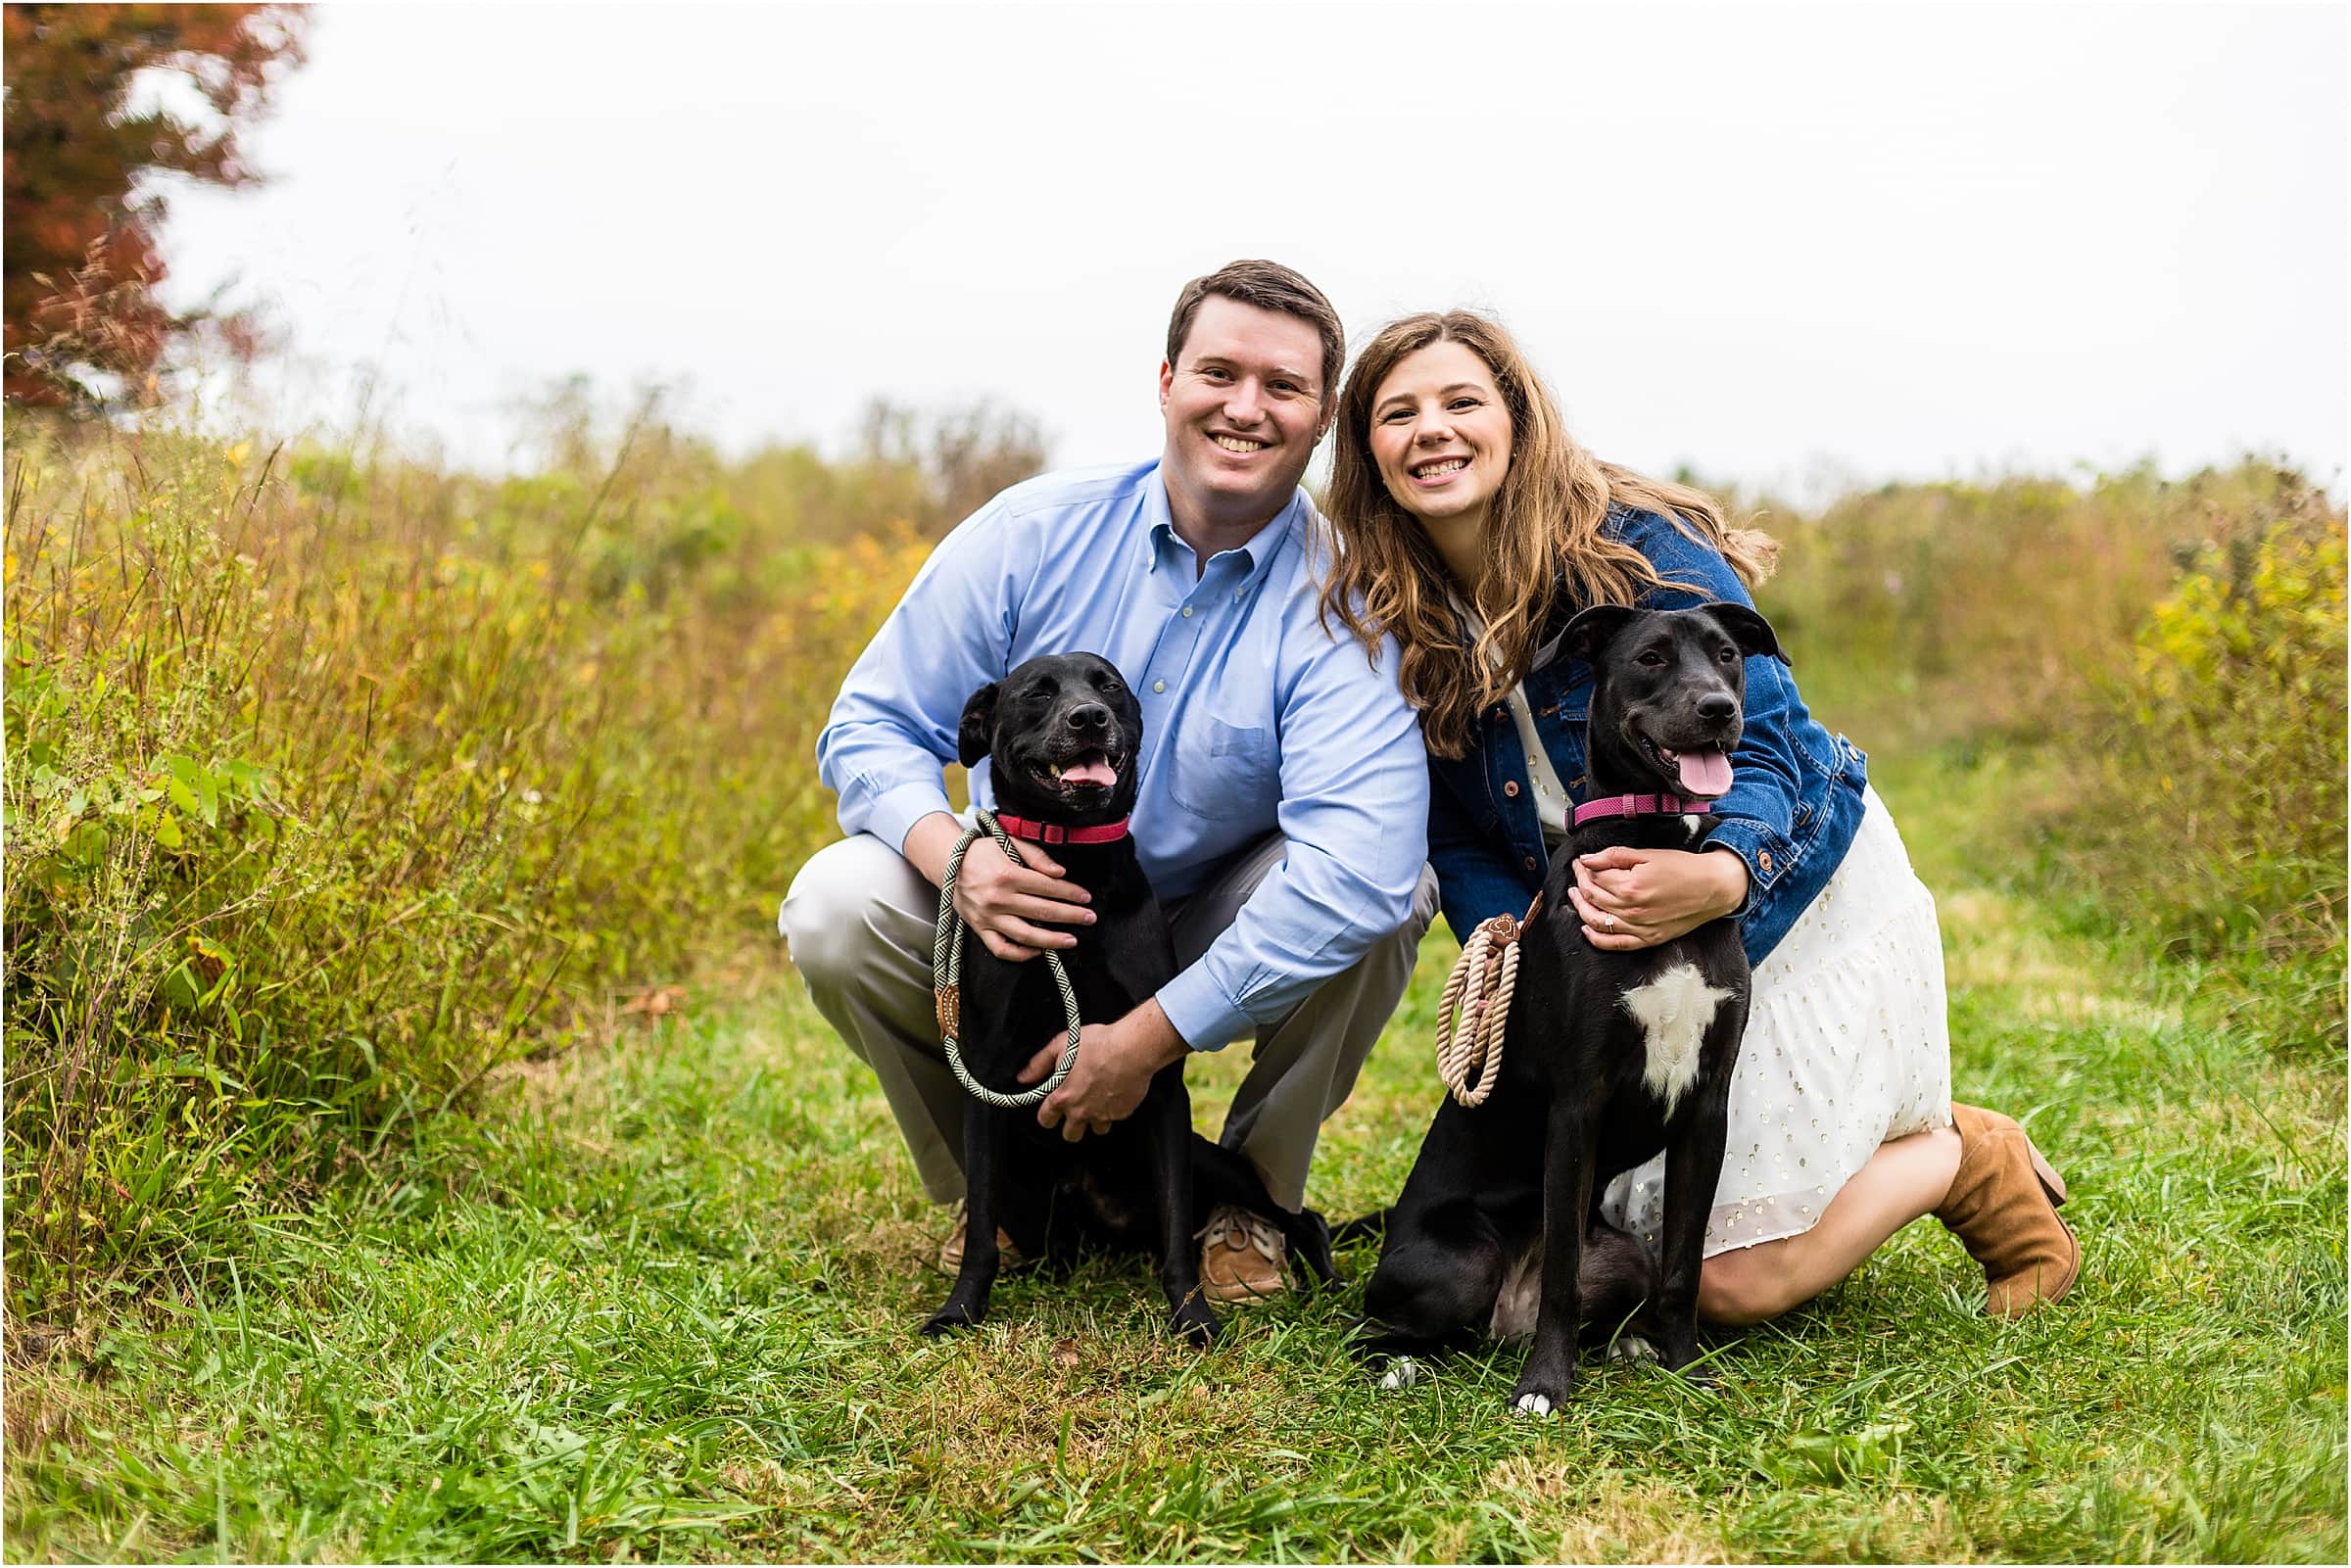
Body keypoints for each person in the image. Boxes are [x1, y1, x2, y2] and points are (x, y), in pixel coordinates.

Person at [1318, 309, 2079, 1323]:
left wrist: (1724, 874)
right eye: (1398, 412)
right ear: (1366, 447)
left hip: (1779, 888)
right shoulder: (1394, 608)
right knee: (1615, 1227)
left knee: (1726, 1281)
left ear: (1517, 419)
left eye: (1462, 401)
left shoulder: (1633, 546)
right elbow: (1452, 828)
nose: (1433, 430)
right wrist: (1524, 945)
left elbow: (1771, 744)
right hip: (1623, 920)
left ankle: (1963, 1156)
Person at [780, 261, 1439, 1302]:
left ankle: (1248, 1200)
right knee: (833, 903)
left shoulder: (1346, 596)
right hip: (1021, 891)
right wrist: (956, 858)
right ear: (1168, 381)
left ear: (1322, 419)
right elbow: (870, 723)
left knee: (1393, 895)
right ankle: (1005, 1196)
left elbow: (1361, 862)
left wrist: (1147, 1038)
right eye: (1219, 373)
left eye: (1283, 386)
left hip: (1209, 913)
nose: (1245, 407)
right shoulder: (1030, 533)